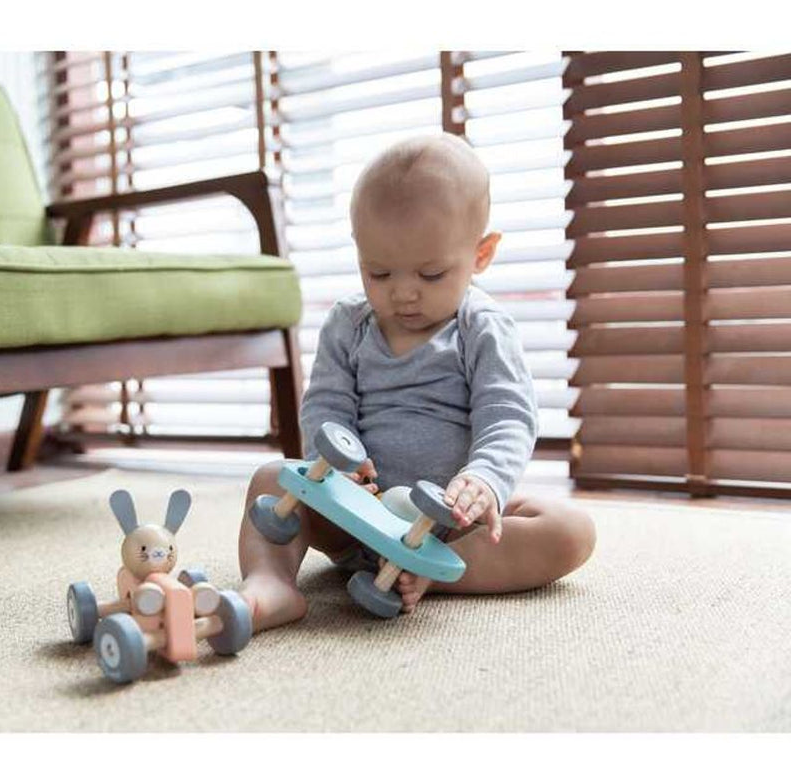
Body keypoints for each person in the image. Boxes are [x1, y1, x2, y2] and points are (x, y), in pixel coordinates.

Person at [238, 132, 596, 631]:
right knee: (271, 481)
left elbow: (508, 417)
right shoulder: (348, 325)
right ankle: (271, 583)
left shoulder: (483, 328)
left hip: (453, 524)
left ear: (482, 254)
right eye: (379, 273)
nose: (403, 293)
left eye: (431, 274)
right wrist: (340, 464)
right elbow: (325, 408)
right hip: (359, 512)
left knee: (571, 530)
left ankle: (436, 573)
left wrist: (484, 482)